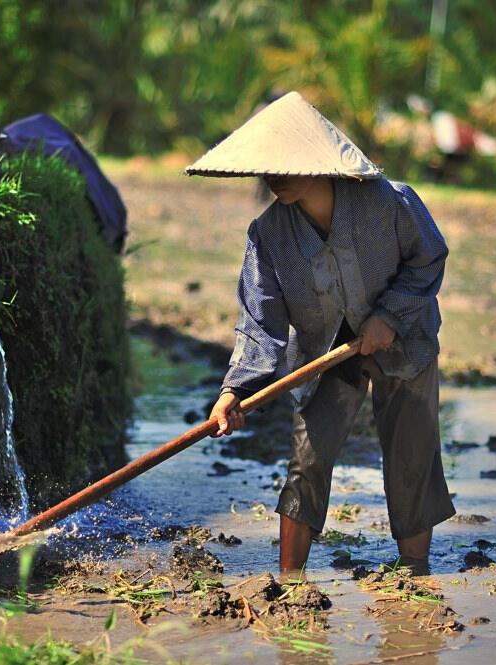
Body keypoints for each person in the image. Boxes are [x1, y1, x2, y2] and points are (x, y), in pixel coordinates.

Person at [186, 91, 456, 575]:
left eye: (286, 165)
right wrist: (234, 390)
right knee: (307, 458)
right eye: (266, 168)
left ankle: (416, 576)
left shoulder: (388, 203)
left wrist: (388, 317)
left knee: (412, 455)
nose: (274, 177)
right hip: (325, 351)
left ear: (319, 161)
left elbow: (428, 259)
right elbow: (259, 322)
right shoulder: (267, 235)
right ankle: (290, 581)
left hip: (406, 341)